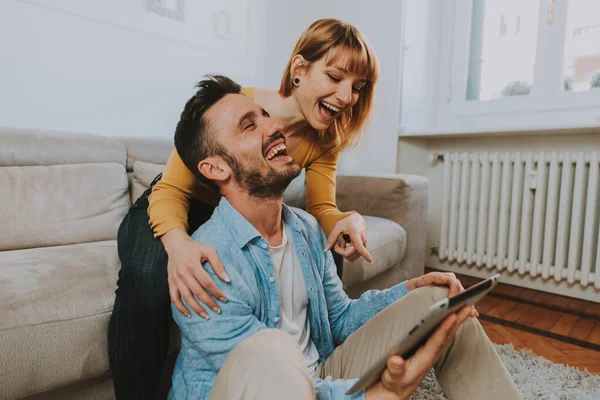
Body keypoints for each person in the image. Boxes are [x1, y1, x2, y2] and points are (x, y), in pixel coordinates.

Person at [168, 75, 521, 400]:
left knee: (441, 299)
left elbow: (340, 320)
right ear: (216, 168)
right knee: (272, 349)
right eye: (249, 125)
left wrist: (409, 290)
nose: (274, 127)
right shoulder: (204, 264)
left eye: (265, 116)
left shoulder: (305, 229)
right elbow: (270, 385)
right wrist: (372, 395)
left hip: (323, 375)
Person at [109, 19, 383, 398]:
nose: (347, 96)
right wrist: (177, 244)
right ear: (300, 70)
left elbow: (322, 207)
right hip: (175, 205)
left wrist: (344, 220)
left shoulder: (324, 140)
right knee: (155, 276)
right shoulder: (237, 107)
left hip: (231, 211)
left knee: (324, 250)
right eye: (336, 77)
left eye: (357, 87)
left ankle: (316, 368)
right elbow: (171, 189)